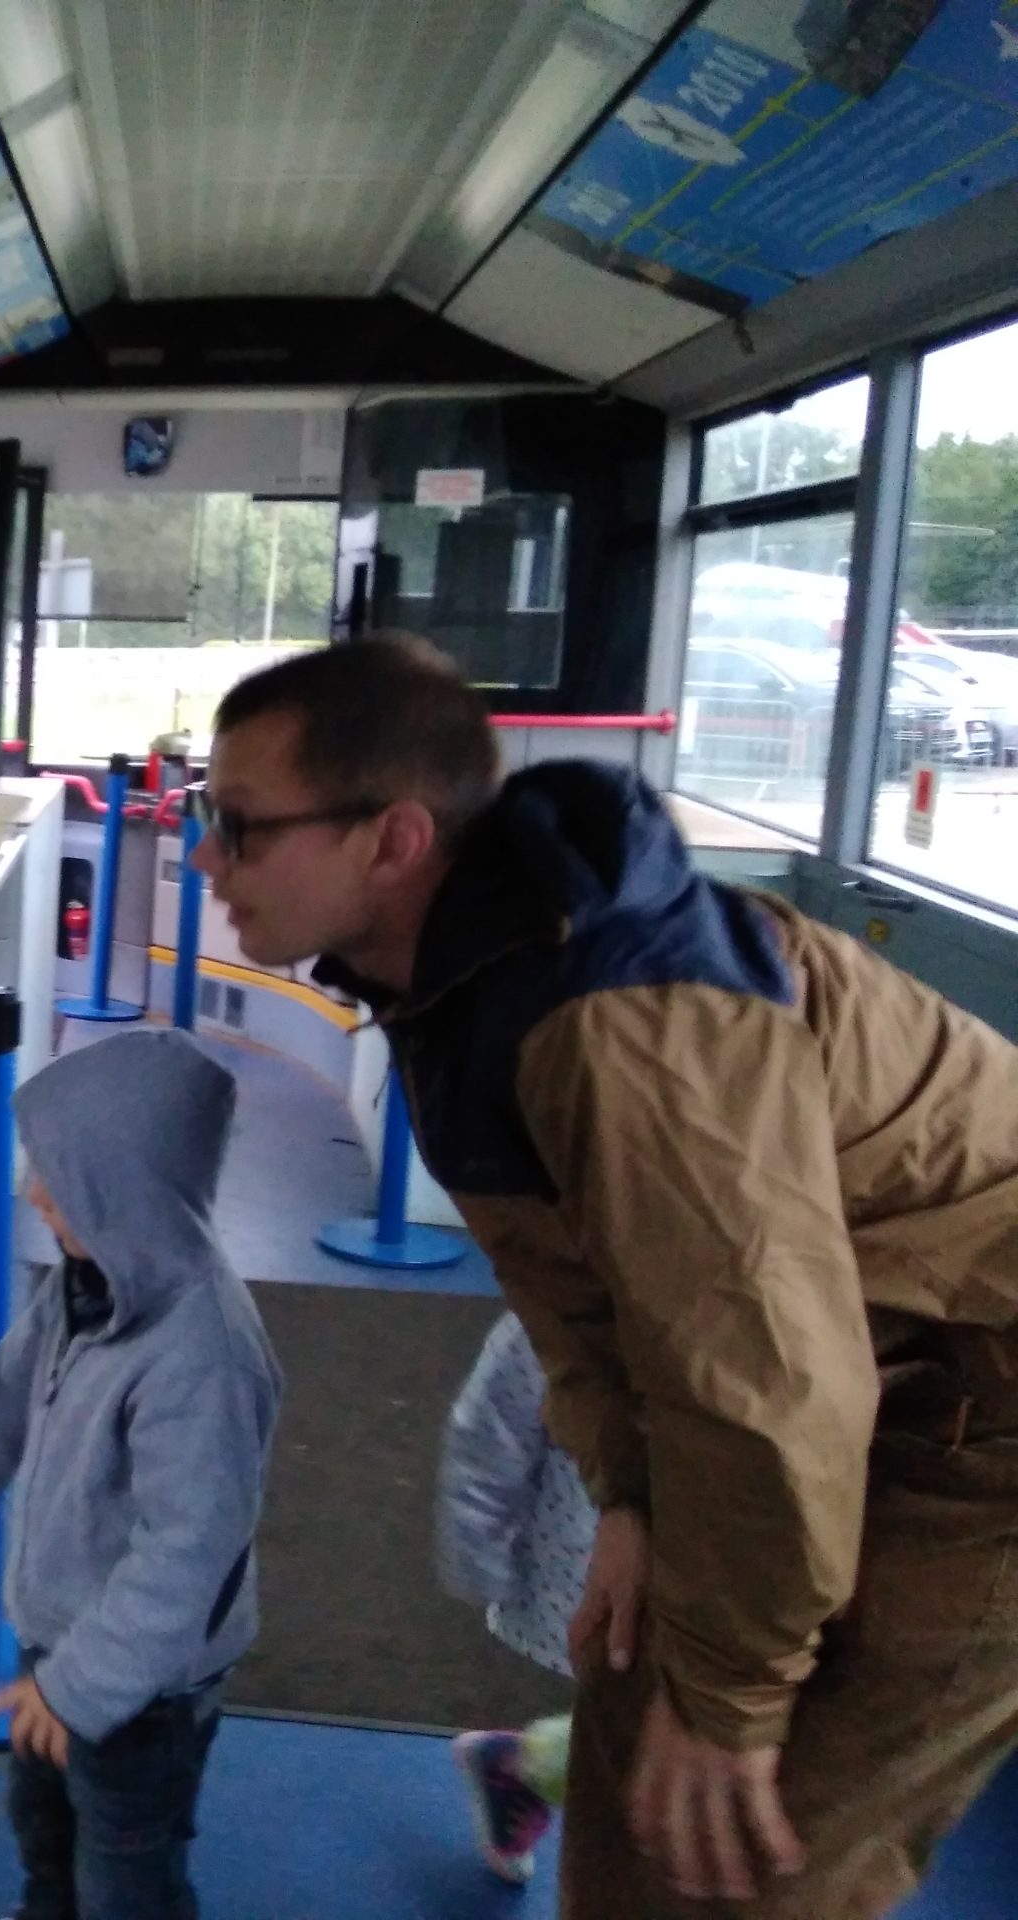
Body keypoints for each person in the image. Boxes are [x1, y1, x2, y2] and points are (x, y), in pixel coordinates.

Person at [193, 633, 1018, 1919]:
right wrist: (630, 1495)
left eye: (239, 827)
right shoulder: (465, 976)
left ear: (392, 839)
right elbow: (578, 1298)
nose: (205, 860)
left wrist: (732, 1699)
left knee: (745, 1855)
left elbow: (763, 1378)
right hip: (857, 1357)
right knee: (641, 1791)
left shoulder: (625, 1019)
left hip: (986, 1405)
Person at [0, 1026, 283, 1920]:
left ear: (127, 1194)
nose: (35, 1192)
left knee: (126, 1877)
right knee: (45, 1837)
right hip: (57, 1643)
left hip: (147, 1688)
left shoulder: (206, 1355)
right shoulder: (83, 1285)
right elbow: (0, 1403)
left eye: (59, 1178)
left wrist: (79, 1689)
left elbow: (188, 1552)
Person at [436, 1310, 598, 1883]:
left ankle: (520, 1766)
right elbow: (490, 1435)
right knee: (662, 1734)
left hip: (727, 1564)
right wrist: (478, 1555)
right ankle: (521, 1767)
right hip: (601, 1568)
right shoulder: (560, 1308)